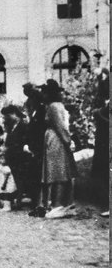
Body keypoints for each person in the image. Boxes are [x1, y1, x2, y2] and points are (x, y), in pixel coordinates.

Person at [39, 79, 78, 219]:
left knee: (58, 171)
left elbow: (60, 126)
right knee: (61, 170)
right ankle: (65, 203)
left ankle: (58, 204)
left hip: (56, 140)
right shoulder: (56, 105)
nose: (42, 95)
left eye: (44, 92)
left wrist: (68, 141)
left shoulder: (53, 106)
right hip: (57, 139)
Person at [23, 84, 48, 216]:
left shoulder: (41, 111)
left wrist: (35, 148)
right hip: (34, 148)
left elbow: (40, 131)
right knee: (34, 176)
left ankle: (39, 205)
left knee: (38, 177)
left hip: (39, 149)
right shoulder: (35, 113)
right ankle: (36, 204)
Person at [1, 105, 29, 208]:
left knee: (18, 179)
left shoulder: (24, 126)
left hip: (20, 159)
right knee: (15, 179)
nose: (5, 118)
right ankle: (15, 198)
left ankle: (18, 199)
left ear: (14, 114)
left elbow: (24, 143)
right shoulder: (11, 127)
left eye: (7, 115)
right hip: (13, 159)